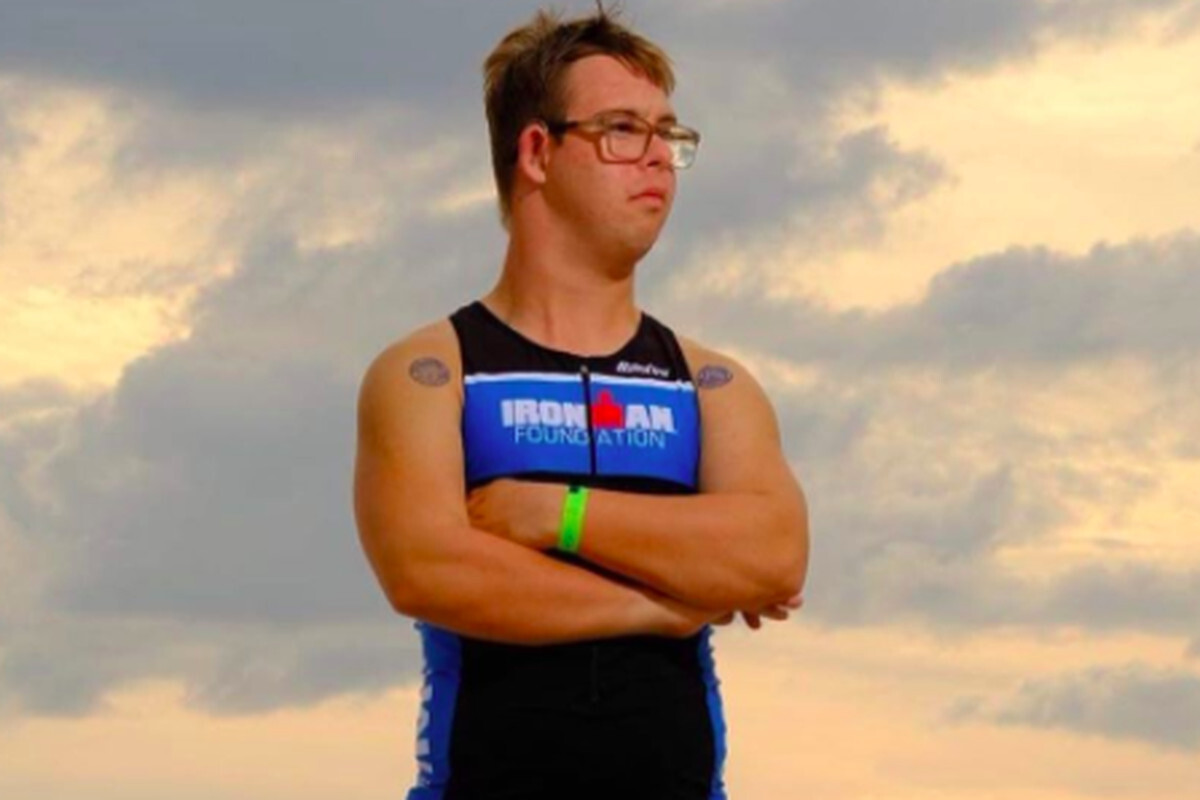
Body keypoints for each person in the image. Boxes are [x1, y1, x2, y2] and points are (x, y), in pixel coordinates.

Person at [353, 5, 809, 798]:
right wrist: (665, 604)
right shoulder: (432, 372)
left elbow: (773, 554)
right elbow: (429, 570)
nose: (658, 157)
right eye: (622, 130)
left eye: (668, 134)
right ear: (537, 151)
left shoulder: (710, 384)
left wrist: (556, 514)